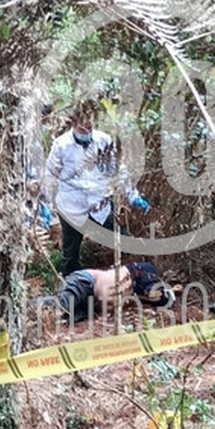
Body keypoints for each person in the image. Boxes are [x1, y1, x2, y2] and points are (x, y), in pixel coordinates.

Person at [41, 100, 151, 274]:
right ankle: (73, 289)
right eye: (83, 128)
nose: (87, 131)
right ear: (74, 124)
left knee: (123, 239)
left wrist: (132, 195)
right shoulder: (61, 145)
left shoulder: (103, 141)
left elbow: (118, 170)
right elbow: (49, 176)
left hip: (99, 203)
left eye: (90, 127)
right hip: (71, 205)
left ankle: (129, 277)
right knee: (70, 254)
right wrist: (45, 205)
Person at [55, 261, 175, 323]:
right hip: (86, 282)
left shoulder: (134, 295)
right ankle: (36, 308)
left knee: (63, 318)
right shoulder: (145, 271)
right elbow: (154, 291)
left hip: (89, 305)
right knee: (58, 307)